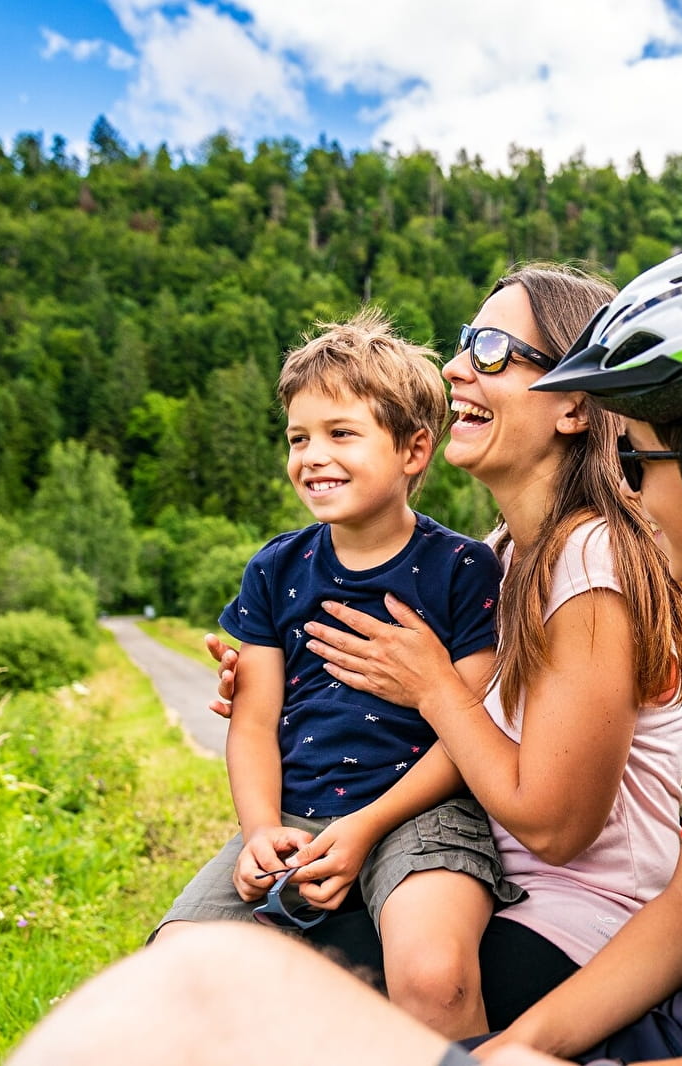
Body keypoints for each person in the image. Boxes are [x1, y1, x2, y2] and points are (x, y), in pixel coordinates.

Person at [8, 240, 682, 1066]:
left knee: (205, 999)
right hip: (624, 998)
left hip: (592, 942)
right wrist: (521, 1047)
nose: (629, 490)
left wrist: (430, 692)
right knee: (194, 985)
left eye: (641, 461)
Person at [210, 263, 682, 1028]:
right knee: (220, 966)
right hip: (475, 877)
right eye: (463, 344)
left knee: (266, 996)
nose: (454, 368)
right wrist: (296, 687)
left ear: (575, 405)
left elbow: (554, 828)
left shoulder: (593, 562)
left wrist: (432, 688)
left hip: (572, 914)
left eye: (491, 351)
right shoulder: (505, 553)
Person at [153, 308, 517, 1038]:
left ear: (414, 449)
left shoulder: (462, 568)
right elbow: (253, 723)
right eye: (298, 438)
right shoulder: (275, 569)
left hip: (421, 814)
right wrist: (260, 830)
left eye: (341, 433)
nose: (312, 456)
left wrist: (365, 827)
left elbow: (470, 725)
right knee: (173, 966)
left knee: (433, 978)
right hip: (293, 811)